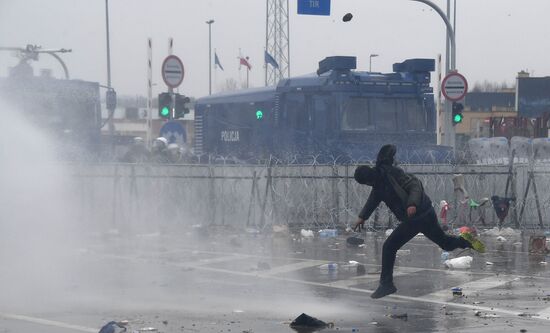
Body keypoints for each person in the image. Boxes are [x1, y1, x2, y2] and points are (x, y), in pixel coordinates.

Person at [353, 144, 485, 299]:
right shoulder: (379, 183)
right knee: (445, 243)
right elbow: (373, 199)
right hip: (424, 214)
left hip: (416, 216)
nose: (368, 185)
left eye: (366, 183)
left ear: (369, 178)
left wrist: (412, 204)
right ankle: (467, 241)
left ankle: (386, 284)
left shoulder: (392, 174)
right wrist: (363, 216)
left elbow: (415, 185)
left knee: (389, 246)